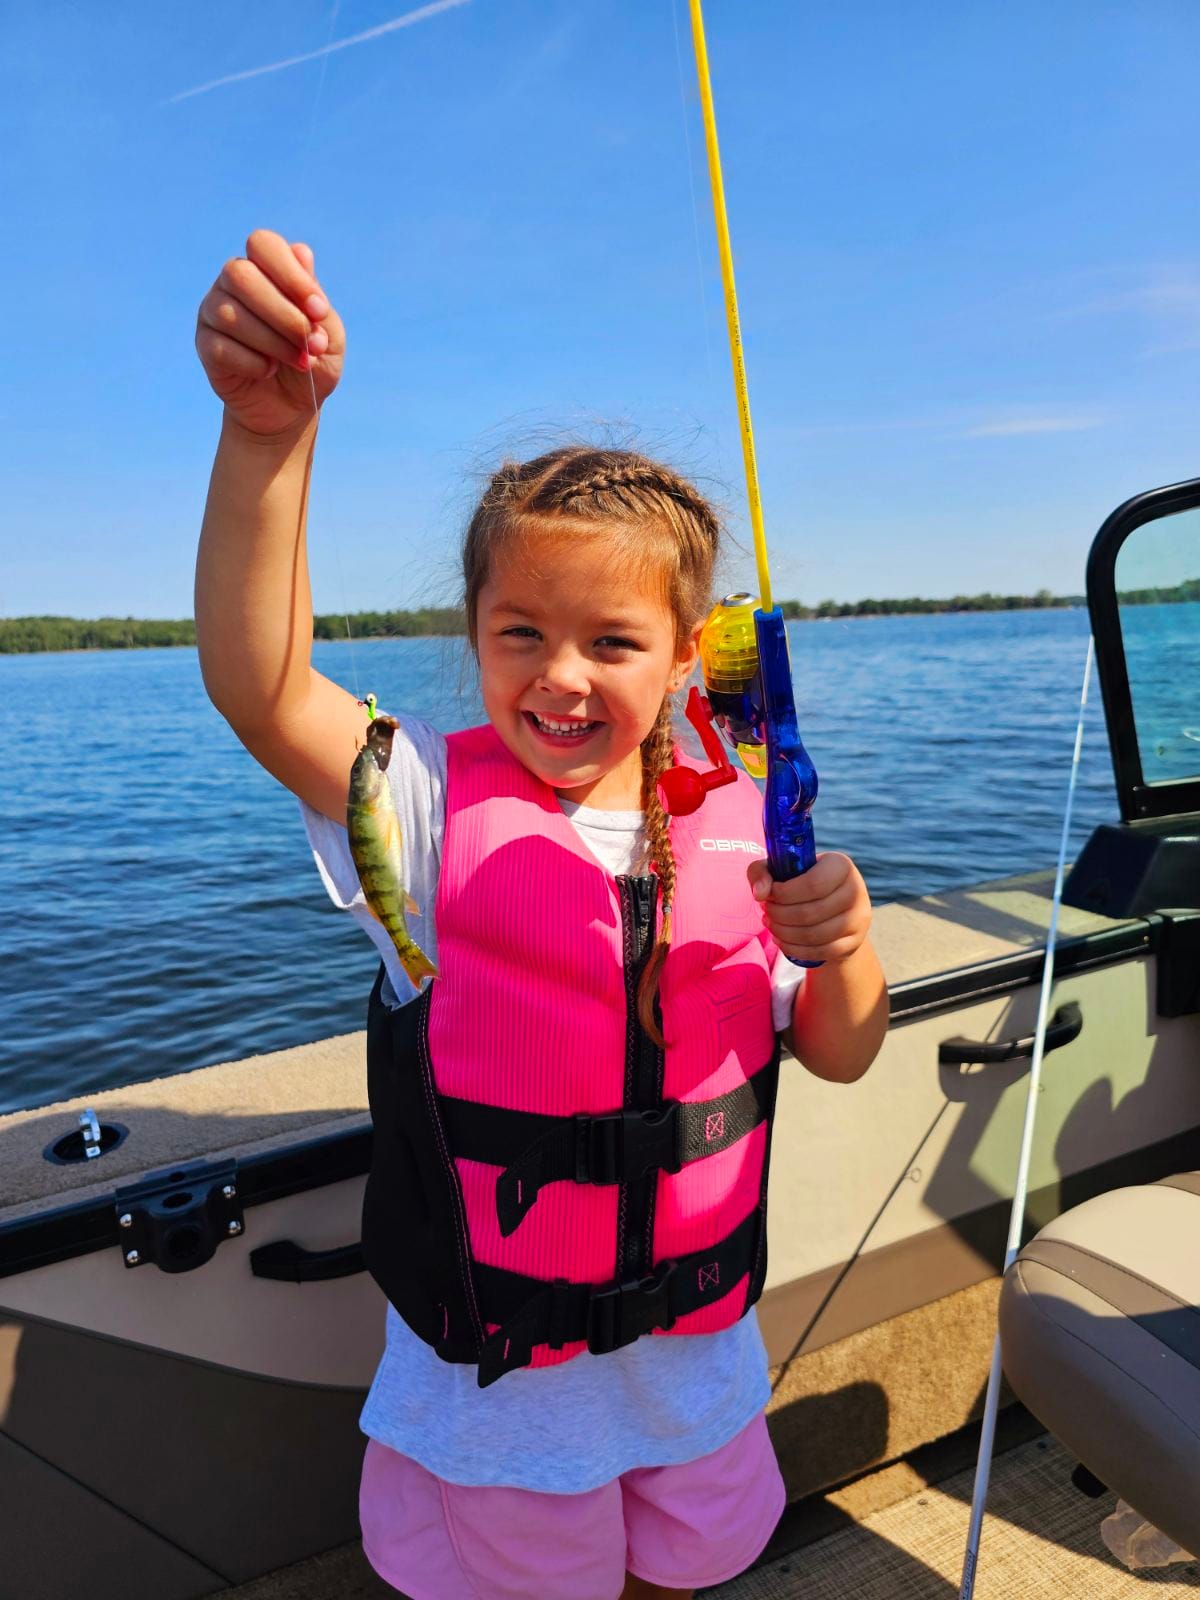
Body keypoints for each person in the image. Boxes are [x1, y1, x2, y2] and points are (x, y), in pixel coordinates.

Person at [195, 228, 889, 1600]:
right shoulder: (427, 810)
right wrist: (268, 438)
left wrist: (848, 943)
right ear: (473, 631)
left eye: (613, 642)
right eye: (521, 630)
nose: (561, 676)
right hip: (505, 1413)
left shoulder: (751, 826)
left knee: (678, 1577)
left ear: (691, 654)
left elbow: (846, 1048)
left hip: (696, 1380)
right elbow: (261, 689)